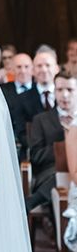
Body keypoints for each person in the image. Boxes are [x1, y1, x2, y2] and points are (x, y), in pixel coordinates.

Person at [26, 74, 77, 211]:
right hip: (49, 173)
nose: (65, 95)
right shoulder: (40, 120)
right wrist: (63, 147)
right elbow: (35, 156)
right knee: (60, 179)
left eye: (70, 90)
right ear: (54, 91)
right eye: (60, 90)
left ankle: (33, 203)